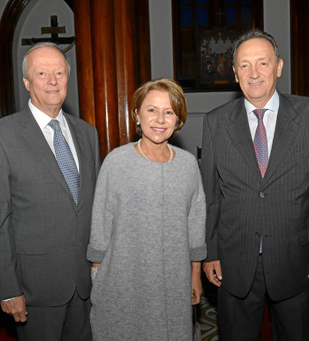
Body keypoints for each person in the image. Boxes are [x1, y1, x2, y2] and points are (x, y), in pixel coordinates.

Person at [200, 29, 309, 341]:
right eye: (245, 65)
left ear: (278, 67)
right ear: (235, 74)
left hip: (297, 260)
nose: (254, 74)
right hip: (234, 260)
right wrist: (209, 251)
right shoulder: (215, 123)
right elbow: (210, 196)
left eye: (262, 63)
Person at [0, 42, 100, 341]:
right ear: (27, 82)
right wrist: (7, 289)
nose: (53, 80)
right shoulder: (0, 136)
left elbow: (93, 206)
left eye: (59, 72)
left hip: (85, 285)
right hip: (35, 289)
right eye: (42, 73)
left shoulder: (87, 133)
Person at [87, 78, 206, 340]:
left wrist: (195, 275)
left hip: (174, 280)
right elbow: (101, 222)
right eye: (151, 110)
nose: (160, 119)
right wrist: (97, 274)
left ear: (178, 119)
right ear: (137, 115)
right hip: (124, 277)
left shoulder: (188, 165)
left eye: (169, 112)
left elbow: (195, 225)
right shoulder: (116, 161)